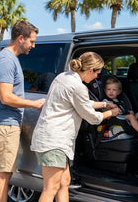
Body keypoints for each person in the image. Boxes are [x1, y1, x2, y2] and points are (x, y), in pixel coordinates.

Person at [30, 52, 121, 202]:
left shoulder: (63, 77)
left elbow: (81, 102)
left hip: (53, 139)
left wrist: (105, 104)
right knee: (51, 188)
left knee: (64, 182)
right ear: (90, 70)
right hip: (54, 142)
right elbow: (93, 117)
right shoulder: (78, 87)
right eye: (97, 73)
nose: (97, 77)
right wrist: (111, 112)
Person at [0, 20, 46, 202]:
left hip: (4, 122)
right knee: (4, 175)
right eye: (32, 41)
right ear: (21, 38)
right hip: (5, 124)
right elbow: (6, 97)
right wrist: (34, 104)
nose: (33, 46)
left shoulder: (9, 58)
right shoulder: (6, 60)